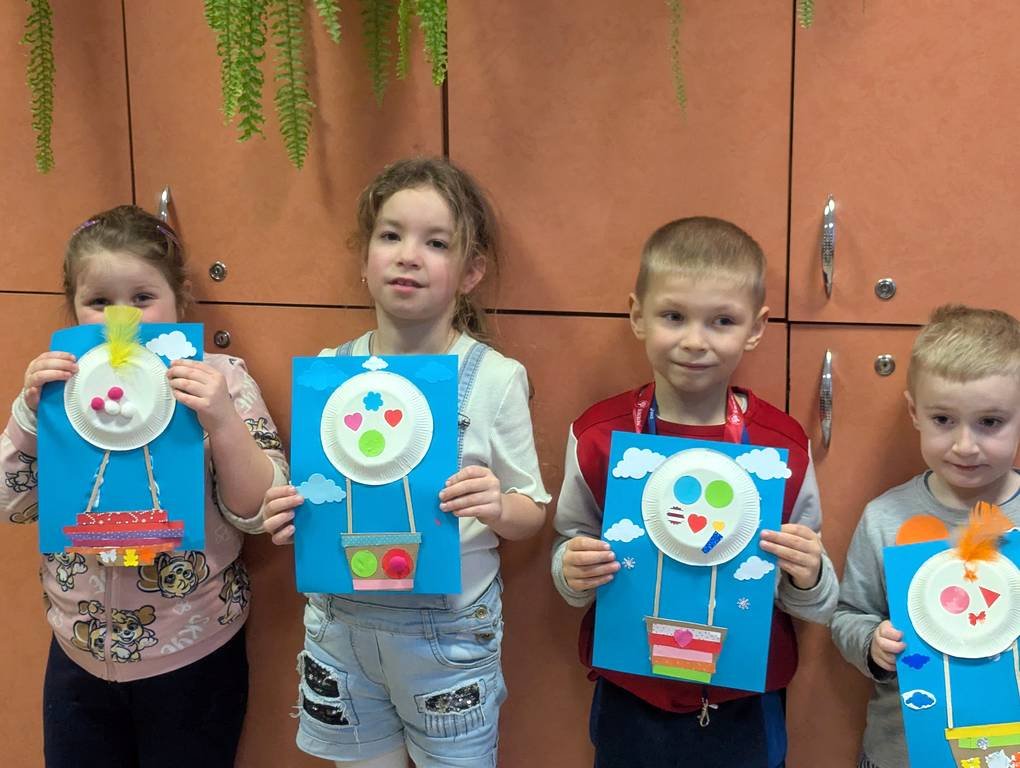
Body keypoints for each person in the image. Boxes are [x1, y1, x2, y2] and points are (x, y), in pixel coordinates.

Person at [262, 157, 550, 768]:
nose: (408, 256)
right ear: (365, 260)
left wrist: (498, 506)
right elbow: (313, 495)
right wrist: (288, 512)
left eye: (436, 243)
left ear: (471, 272)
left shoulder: (494, 378)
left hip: (447, 639)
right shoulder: (329, 369)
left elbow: (532, 511)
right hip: (340, 630)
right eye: (390, 235)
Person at [0, 204, 288, 767]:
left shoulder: (221, 381)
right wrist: (30, 416)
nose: (121, 320)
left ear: (180, 299)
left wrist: (222, 420)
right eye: (99, 301)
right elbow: (10, 502)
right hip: (77, 652)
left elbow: (259, 510)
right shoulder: (59, 390)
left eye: (141, 298)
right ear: (72, 306)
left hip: (195, 651)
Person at [551, 216, 838, 768]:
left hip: (743, 702)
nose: (694, 341)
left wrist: (810, 573)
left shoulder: (782, 448)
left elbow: (814, 596)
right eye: (673, 316)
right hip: (632, 693)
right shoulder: (599, 437)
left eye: (721, 321)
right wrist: (571, 568)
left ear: (756, 328)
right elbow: (570, 547)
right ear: (637, 315)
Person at [832, 304, 1020, 768]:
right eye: (943, 420)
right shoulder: (884, 518)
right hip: (903, 753)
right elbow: (847, 614)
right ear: (915, 412)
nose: (965, 445)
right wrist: (873, 644)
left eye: (990, 422)